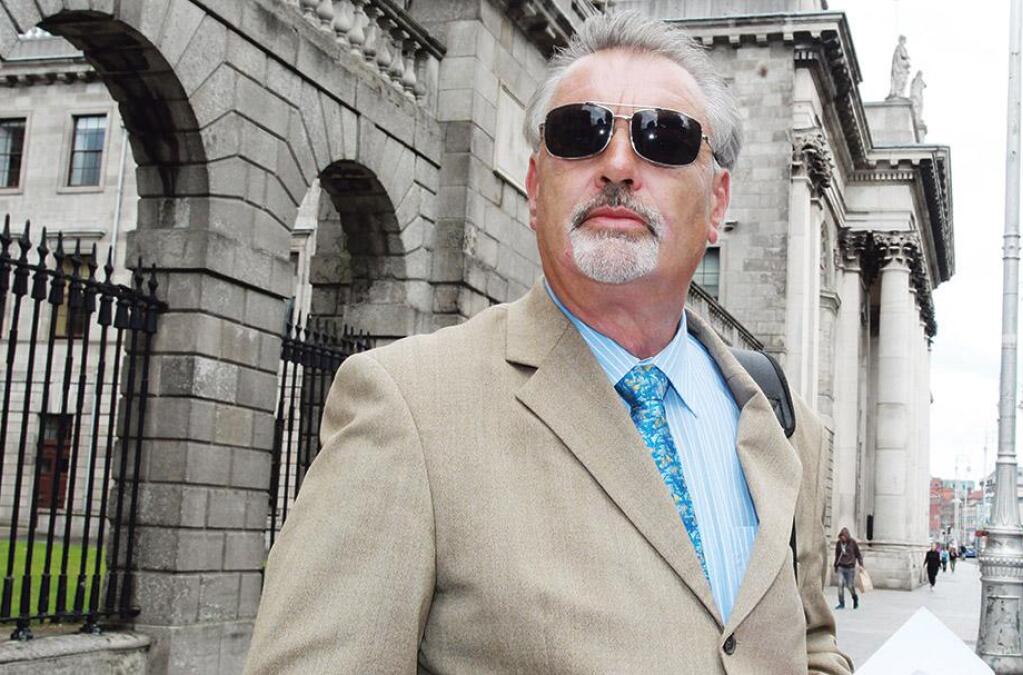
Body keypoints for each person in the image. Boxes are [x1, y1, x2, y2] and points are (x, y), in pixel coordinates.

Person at [245, 11, 853, 674]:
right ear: (536, 189)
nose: (617, 164)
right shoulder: (407, 406)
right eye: (579, 133)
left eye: (665, 138)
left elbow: (810, 645)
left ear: (718, 204)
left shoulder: (779, 420)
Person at [833, 527, 863, 609]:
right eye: (841, 536)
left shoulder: (853, 543)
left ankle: (855, 598)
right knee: (840, 584)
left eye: (844, 536)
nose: (842, 538)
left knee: (850, 586)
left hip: (850, 568)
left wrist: (861, 565)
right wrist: (835, 566)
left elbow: (858, 554)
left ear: (847, 536)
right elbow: (837, 555)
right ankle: (841, 603)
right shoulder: (839, 543)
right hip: (841, 567)